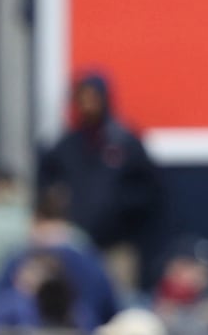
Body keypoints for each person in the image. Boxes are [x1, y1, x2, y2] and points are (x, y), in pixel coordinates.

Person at [39, 73, 162, 291]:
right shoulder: (66, 147)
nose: (88, 104)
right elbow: (48, 188)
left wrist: (119, 208)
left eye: (93, 97)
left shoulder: (125, 142)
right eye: (83, 98)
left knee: (120, 300)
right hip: (75, 247)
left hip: (116, 247)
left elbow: (149, 189)